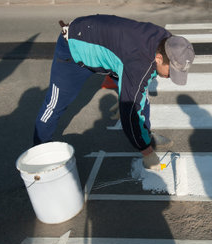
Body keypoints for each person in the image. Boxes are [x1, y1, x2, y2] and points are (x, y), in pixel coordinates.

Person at [33, 14, 195, 170]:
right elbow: (129, 116)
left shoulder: (169, 42)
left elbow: (138, 81)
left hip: (114, 53)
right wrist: (147, 153)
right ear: (159, 58)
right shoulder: (139, 64)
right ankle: (40, 152)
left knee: (140, 98)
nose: (168, 77)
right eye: (170, 72)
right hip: (74, 50)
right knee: (54, 106)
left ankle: (145, 135)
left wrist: (128, 95)